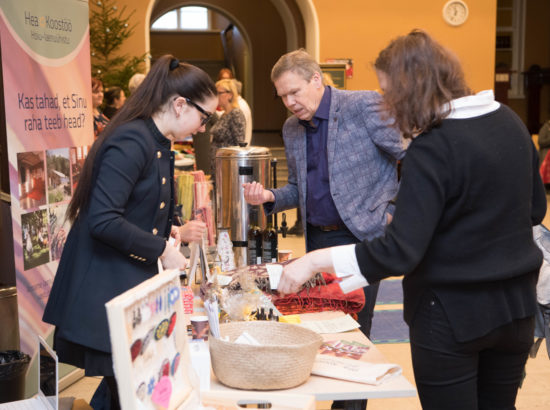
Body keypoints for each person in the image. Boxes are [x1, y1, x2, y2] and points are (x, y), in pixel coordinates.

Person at [277, 30, 547, 410]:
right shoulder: (509, 121)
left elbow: (400, 252)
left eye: (390, 94)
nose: (387, 104)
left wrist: (315, 260)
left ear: (411, 89)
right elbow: (534, 209)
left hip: (451, 314)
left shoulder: (433, 146)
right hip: (515, 309)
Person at [42, 55, 218, 409]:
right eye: (205, 116)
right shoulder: (132, 141)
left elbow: (141, 208)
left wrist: (175, 230)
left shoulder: (154, 140)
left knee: (128, 386)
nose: (203, 127)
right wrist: (161, 249)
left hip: (124, 284)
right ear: (179, 104)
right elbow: (104, 220)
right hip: (104, 287)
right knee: (127, 388)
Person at [244, 48, 405, 410]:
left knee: (354, 334)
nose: (289, 103)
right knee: (321, 333)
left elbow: (412, 155)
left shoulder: (362, 106)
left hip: (362, 237)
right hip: (318, 241)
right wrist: (269, 195)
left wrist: (398, 212)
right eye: (282, 96)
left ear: (316, 79)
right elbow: (301, 189)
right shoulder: (291, 128)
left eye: (294, 92)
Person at [210, 78, 246, 178]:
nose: (216, 96)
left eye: (219, 93)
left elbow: (240, 144)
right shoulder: (224, 114)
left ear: (230, 94)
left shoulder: (236, 114)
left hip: (228, 169)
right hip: (218, 167)